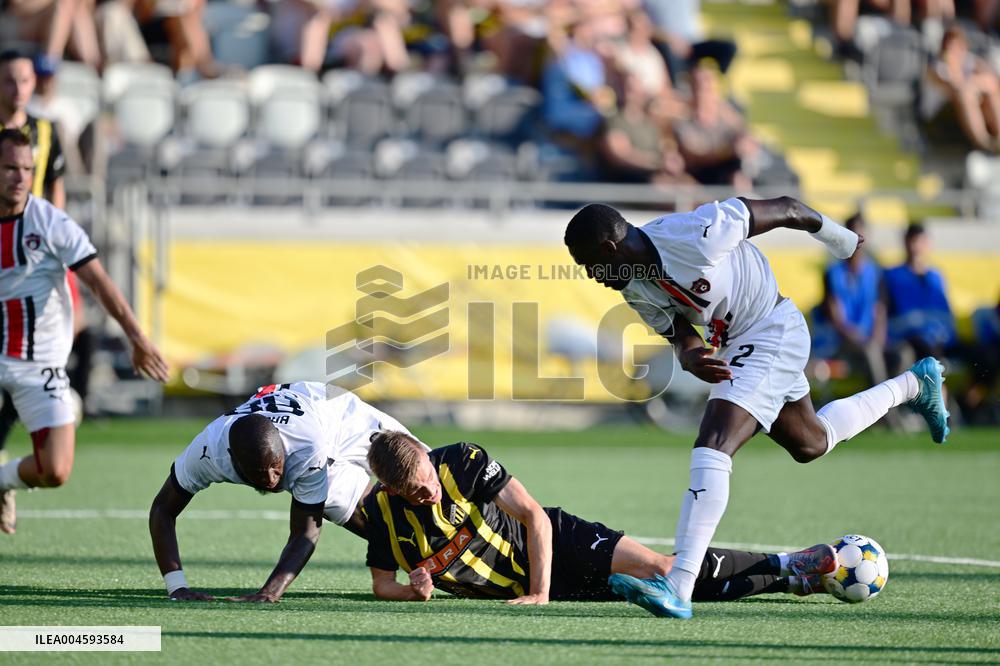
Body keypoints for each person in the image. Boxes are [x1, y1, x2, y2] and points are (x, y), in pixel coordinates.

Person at [563, 196, 949, 618]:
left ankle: (678, 583)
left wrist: (839, 239)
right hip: (740, 343)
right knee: (811, 442)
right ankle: (915, 383)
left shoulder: (696, 235)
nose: (591, 276)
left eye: (588, 264)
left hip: (771, 326)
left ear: (609, 249)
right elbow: (677, 330)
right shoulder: (632, 284)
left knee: (713, 443)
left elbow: (784, 208)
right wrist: (689, 354)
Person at [363, 430, 839, 612]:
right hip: (523, 585)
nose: (429, 493)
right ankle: (794, 582)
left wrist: (540, 592)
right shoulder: (383, 515)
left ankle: (786, 561)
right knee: (673, 588)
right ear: (391, 490)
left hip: (552, 546)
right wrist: (413, 589)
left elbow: (533, 517)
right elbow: (382, 583)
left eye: (427, 479)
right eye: (416, 492)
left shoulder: (462, 461)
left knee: (662, 570)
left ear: (427, 457)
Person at [0, 129, 168, 534]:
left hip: (38, 364)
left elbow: (99, 282)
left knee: (55, 470)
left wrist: (138, 338)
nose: (20, 178)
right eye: (9, 168)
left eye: (27, 169)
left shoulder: (50, 223)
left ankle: (3, 480)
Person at [148, 381, 424, 602]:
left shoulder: (305, 447)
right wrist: (177, 588)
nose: (270, 480)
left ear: (284, 453)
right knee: (384, 527)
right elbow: (163, 509)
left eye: (276, 468)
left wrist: (270, 592)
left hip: (334, 410)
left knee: (424, 475)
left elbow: (306, 532)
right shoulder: (207, 453)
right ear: (232, 461)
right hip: (298, 430)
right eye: (258, 473)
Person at [810, 212, 889, 387]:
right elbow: (837, 321)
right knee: (871, 353)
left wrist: (877, 341)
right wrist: (865, 343)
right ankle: (886, 412)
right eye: (854, 234)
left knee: (902, 354)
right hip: (843, 345)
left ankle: (904, 409)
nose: (859, 240)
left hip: (871, 343)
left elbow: (880, 313)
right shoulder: (832, 273)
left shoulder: (876, 273)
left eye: (862, 234)